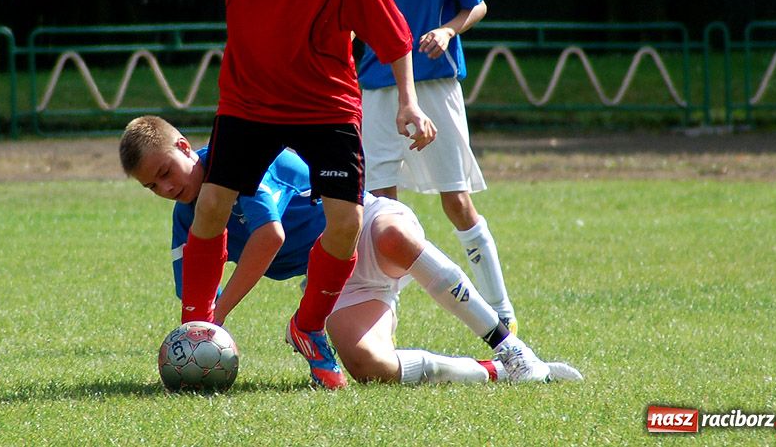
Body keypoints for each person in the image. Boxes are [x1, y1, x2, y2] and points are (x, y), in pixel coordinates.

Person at [178, 0, 437, 390]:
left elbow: (392, 34)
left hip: (324, 103)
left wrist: (409, 102)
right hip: (248, 98)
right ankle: (194, 331)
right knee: (211, 206)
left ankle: (308, 326)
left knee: (345, 224)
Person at [119, 116, 583, 386]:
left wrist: (217, 316)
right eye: (151, 186)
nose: (165, 187)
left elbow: (269, 237)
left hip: (363, 223)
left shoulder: (235, 160)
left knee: (393, 238)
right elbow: (192, 302)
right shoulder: (186, 216)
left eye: (165, 171)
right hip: (332, 278)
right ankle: (498, 372)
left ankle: (511, 346)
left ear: (184, 146)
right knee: (368, 367)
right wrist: (191, 347)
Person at [357, 0, 517, 331]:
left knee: (456, 198)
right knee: (381, 207)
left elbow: (477, 3)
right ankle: (383, 316)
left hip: (434, 83)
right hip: (377, 87)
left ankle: (502, 312)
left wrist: (448, 29)